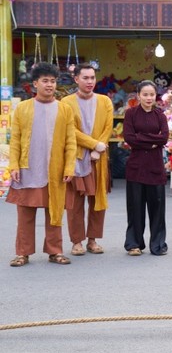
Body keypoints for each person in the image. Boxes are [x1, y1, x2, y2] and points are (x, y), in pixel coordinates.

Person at [8, 62, 76, 267]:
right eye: (45, 81)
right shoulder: (22, 108)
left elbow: (71, 142)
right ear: (35, 83)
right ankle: (23, 253)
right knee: (25, 215)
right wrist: (14, 166)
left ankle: (55, 251)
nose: (49, 85)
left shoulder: (65, 109)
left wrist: (69, 167)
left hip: (54, 171)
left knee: (54, 213)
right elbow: (16, 140)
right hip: (28, 169)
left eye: (53, 81)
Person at [62, 63, 114, 256]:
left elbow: (108, 128)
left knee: (97, 200)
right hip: (75, 158)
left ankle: (92, 239)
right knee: (74, 202)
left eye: (92, 78)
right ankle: (77, 241)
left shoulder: (104, 101)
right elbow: (69, 130)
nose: (90, 81)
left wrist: (98, 149)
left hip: (98, 158)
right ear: (76, 79)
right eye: (85, 78)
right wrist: (93, 144)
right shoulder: (66, 102)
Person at [123, 80, 169, 256]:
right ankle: (134, 243)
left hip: (155, 167)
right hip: (136, 167)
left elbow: (163, 138)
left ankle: (158, 244)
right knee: (135, 207)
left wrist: (142, 137)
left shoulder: (160, 116)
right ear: (138, 96)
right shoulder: (131, 114)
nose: (149, 98)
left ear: (155, 96)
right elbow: (129, 138)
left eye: (151, 94)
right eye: (145, 94)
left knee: (157, 207)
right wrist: (151, 141)